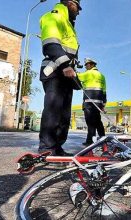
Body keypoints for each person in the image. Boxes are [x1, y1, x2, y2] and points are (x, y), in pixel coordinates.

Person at [38, 0, 82, 156]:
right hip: (56, 71)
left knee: (64, 115)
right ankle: (47, 147)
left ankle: (57, 147)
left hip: (66, 74)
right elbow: (50, 44)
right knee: (53, 110)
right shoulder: (53, 16)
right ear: (70, 3)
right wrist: (65, 66)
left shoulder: (68, 24)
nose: (79, 11)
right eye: (78, 7)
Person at [77, 58, 107, 146]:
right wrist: (103, 104)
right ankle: (103, 139)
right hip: (98, 103)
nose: (85, 67)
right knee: (98, 121)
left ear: (90, 65)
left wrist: (74, 70)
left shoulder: (88, 73)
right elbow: (104, 91)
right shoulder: (102, 76)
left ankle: (90, 141)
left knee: (90, 122)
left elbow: (76, 76)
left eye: (86, 65)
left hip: (89, 102)